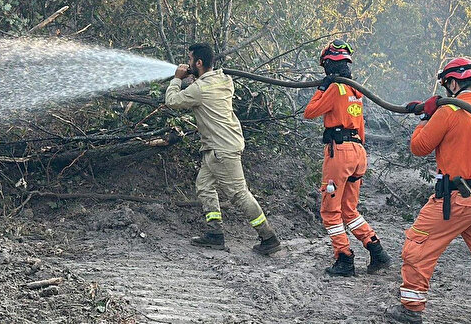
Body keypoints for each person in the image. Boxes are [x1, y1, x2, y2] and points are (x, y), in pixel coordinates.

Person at [385, 57, 471, 324]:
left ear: (454, 83)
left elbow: (419, 147)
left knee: (417, 244)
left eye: (447, 85)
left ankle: (410, 310)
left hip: (462, 197)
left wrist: (425, 117)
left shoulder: (450, 110)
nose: (446, 91)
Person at [165, 43, 282, 255]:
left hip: (222, 150)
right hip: (217, 148)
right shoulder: (224, 81)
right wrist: (195, 79)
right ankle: (214, 234)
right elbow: (206, 90)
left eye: (190, 59)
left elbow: (172, 100)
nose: (188, 62)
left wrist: (177, 79)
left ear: (198, 63)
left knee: (239, 194)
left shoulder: (199, 89)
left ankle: (268, 237)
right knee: (204, 185)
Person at [304, 39, 391, 277]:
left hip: (339, 153)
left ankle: (344, 259)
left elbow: (310, 112)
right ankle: (377, 251)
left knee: (330, 211)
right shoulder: (355, 90)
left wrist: (322, 88)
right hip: (358, 152)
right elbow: (361, 126)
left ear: (328, 65)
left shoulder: (336, 88)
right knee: (349, 210)